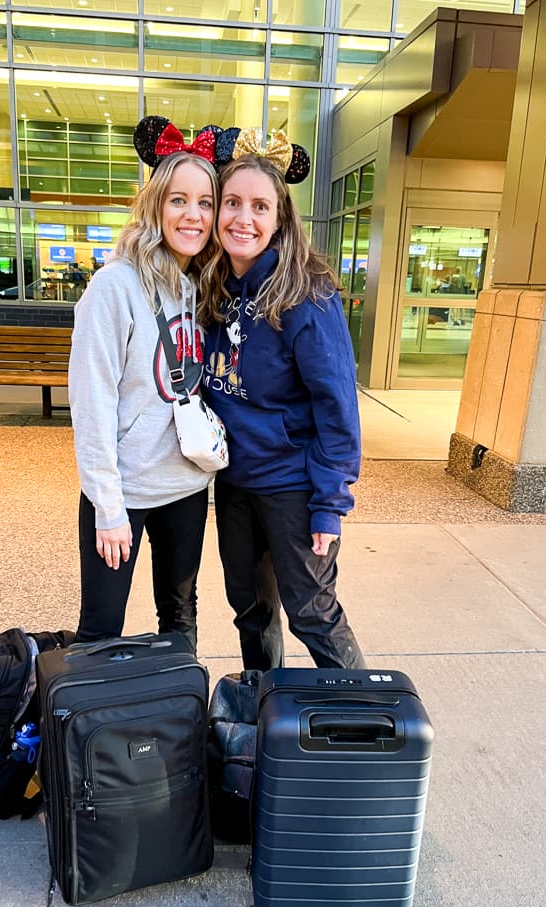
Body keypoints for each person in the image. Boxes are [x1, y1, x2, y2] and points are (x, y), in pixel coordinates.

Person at [201, 128, 366, 671]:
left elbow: (338, 408)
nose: (242, 218)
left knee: (312, 612)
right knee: (251, 610)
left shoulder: (307, 294)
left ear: (279, 219)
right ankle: (263, 708)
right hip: (235, 486)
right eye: (232, 203)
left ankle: (365, 726)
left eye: (259, 206)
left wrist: (329, 504)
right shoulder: (215, 287)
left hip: (293, 486)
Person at [68, 119, 221, 649]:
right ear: (156, 203)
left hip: (186, 486)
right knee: (100, 628)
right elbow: (91, 404)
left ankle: (174, 720)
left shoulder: (203, 286)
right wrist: (108, 507)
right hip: (125, 490)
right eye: (180, 199)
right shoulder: (114, 286)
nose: (193, 215)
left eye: (205, 202)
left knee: (180, 619)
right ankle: (87, 730)